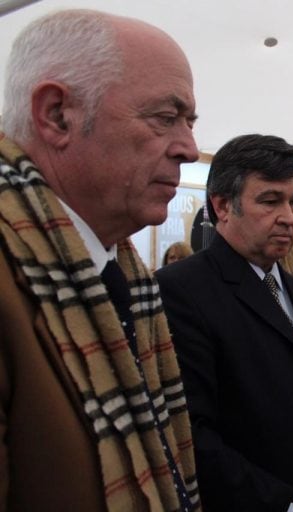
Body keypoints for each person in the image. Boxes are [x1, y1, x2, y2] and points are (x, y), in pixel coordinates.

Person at [0, 9, 200, 511]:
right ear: (57, 115)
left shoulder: (123, 273)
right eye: (165, 117)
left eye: (190, 122)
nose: (190, 149)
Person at [155, 134, 293, 512]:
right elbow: (189, 433)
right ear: (222, 206)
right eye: (270, 201)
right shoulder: (181, 290)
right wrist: (287, 505)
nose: (288, 216)